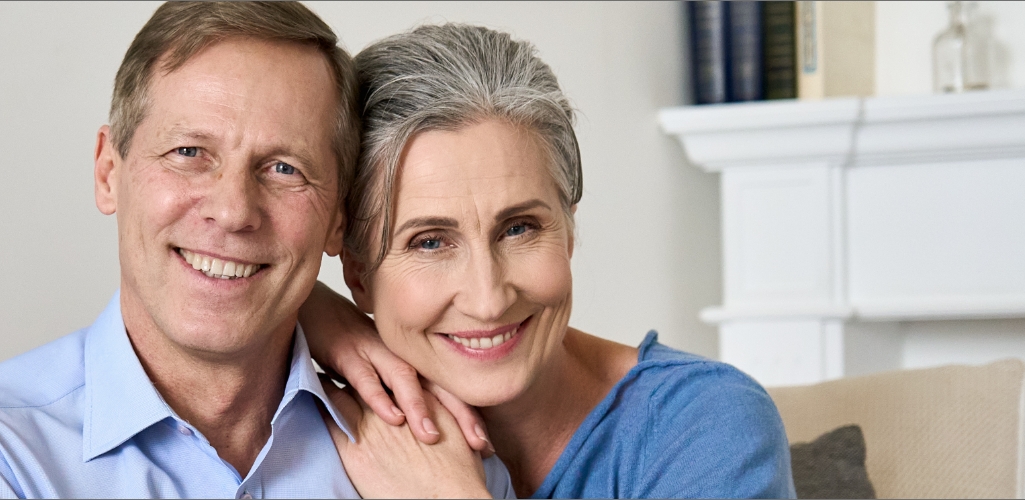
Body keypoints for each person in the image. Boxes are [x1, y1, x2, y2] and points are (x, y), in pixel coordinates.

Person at [0, 3, 512, 498]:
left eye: (285, 168)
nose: (233, 210)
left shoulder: (438, 455)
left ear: (337, 219)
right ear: (109, 172)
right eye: (188, 154)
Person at [300, 23, 798, 499]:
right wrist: (305, 305)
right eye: (429, 242)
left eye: (519, 229)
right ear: (357, 271)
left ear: (569, 230)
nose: (489, 298)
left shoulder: (703, 427)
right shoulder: (303, 427)